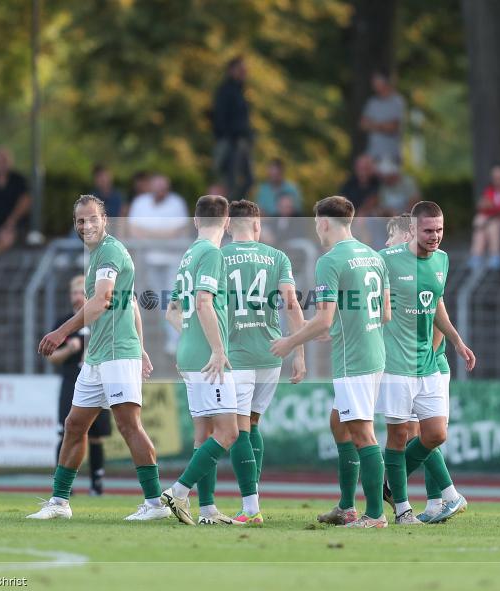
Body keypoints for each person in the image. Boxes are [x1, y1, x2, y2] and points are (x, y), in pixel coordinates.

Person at [30, 195, 169, 522]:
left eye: (92, 219)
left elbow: (102, 301)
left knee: (128, 425)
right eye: (80, 221)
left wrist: (61, 332)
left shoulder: (109, 251)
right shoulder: (99, 254)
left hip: (117, 354)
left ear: (105, 219)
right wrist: (144, 345)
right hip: (98, 355)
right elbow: (130, 302)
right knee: (74, 425)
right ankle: (60, 501)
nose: (86, 225)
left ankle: (155, 503)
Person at [271, 196, 391, 528]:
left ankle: (375, 515)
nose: (316, 230)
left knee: (362, 434)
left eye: (315, 224)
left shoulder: (329, 260)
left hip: (354, 359)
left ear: (324, 223)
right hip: (373, 352)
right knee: (339, 423)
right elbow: (384, 313)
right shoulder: (373, 256)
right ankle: (346, 506)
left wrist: (289, 342)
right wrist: (340, 325)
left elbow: (323, 321)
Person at [377, 206, 475, 526]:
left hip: (429, 365)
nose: (435, 237)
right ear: (413, 229)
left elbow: (435, 307)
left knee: (435, 435)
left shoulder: (442, 261)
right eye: (428, 231)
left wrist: (457, 342)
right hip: (396, 366)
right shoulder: (387, 261)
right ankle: (406, 508)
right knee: (399, 436)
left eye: (439, 230)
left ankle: (390, 482)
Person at [222, 200, 307, 524]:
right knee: (253, 424)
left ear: (229, 225)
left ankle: (251, 507)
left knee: (238, 429)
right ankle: (253, 495)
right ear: (257, 226)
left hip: (236, 354)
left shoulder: (218, 256)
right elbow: (291, 305)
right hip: (272, 353)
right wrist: (298, 353)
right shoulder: (277, 257)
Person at [161, 195, 240, 526]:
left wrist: (191, 339)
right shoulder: (211, 253)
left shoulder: (188, 254)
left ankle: (207, 510)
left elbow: (171, 312)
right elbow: (204, 303)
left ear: (195, 221)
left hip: (190, 351)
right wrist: (218, 349)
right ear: (227, 223)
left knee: (203, 432)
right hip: (208, 356)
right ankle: (178, 492)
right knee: (228, 432)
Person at [47, 274, 111, 497]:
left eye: (81, 293)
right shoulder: (64, 323)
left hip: (97, 380)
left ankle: (97, 485)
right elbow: (52, 357)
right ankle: (64, 485)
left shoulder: (101, 321)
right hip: (71, 381)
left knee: (95, 435)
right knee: (66, 431)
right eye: (73, 293)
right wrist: (70, 349)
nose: (76, 297)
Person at [126, 174, 190, 355]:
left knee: (172, 299)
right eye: (157, 188)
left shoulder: (177, 202)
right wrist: (162, 234)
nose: (160, 192)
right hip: (148, 261)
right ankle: (167, 339)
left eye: (163, 189)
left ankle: (176, 341)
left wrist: (149, 234)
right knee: (158, 302)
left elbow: (178, 231)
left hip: (173, 261)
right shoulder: (140, 202)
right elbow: (133, 230)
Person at [213, 56, 253, 200]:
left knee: (247, 180)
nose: (244, 72)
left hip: (240, 141)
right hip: (231, 142)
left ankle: (235, 207)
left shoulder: (240, 91)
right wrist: (229, 138)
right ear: (231, 70)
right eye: (241, 69)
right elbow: (219, 117)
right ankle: (230, 209)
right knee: (231, 181)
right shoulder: (226, 91)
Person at [360, 70, 406, 163]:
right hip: (373, 155)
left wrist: (373, 125)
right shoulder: (372, 102)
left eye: (376, 81)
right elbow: (363, 125)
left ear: (385, 82)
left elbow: (393, 127)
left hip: (391, 156)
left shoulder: (397, 101)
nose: (373, 84)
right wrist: (383, 126)